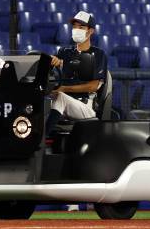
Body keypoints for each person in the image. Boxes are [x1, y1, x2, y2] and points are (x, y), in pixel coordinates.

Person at [45, 10, 108, 138]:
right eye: (74, 26)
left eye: (81, 27)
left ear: (90, 31)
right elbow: (52, 69)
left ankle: (41, 140)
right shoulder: (64, 51)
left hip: (84, 106)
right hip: (61, 103)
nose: (76, 29)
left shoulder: (98, 54)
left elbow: (94, 86)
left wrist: (64, 89)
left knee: (61, 97)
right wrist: (52, 61)